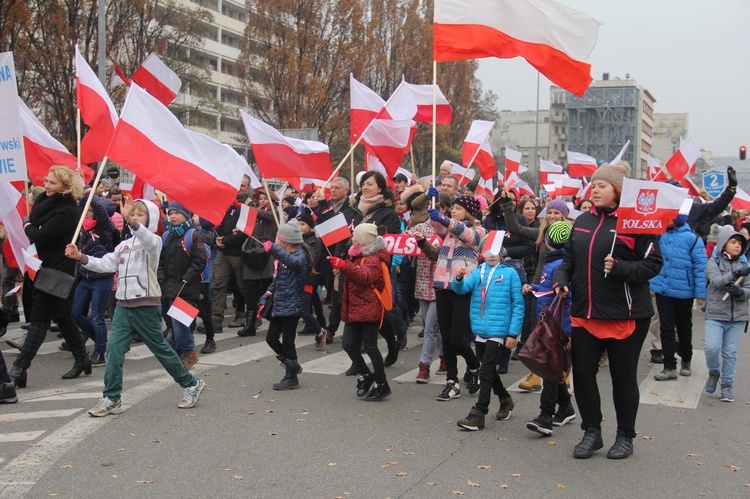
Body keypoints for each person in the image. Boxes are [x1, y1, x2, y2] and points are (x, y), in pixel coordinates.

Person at [553, 161, 663, 460]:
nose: (594, 189)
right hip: (585, 312)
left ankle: (625, 436)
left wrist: (621, 268)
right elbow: (568, 260)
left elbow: (653, 264)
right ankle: (592, 432)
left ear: (618, 190)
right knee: (583, 376)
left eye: (601, 185)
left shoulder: (637, 222)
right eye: (593, 184)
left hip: (625, 315)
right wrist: (561, 279)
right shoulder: (582, 221)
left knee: (622, 378)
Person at [65, 197, 206, 416]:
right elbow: (105, 264)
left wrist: (131, 221)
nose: (135, 217)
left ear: (150, 219)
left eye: (140, 214)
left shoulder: (155, 242)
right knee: (114, 351)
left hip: (146, 306)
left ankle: (190, 383)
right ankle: (112, 398)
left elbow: (147, 239)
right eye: (133, 214)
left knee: (161, 350)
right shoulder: (123, 245)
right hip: (123, 306)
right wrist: (81, 257)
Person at [10, 166, 91, 388]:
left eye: (52, 183)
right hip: (46, 268)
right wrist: (32, 221)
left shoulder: (67, 211)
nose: (46, 185)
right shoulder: (45, 206)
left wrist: (27, 224)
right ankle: (81, 356)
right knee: (62, 317)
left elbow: (39, 237)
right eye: (46, 180)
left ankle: (19, 368)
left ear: (65, 186)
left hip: (59, 270)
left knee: (39, 319)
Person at [417, 194, 484, 401]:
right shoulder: (449, 231)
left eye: (458, 208)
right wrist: (433, 206)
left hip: (461, 288)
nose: (453, 210)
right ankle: (452, 382)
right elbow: (438, 226)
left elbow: (466, 233)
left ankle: (474, 367)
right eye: (452, 207)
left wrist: (445, 219)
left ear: (470, 212)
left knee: (457, 337)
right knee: (445, 338)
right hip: (441, 286)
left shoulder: (478, 231)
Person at [453, 240, 524, 430]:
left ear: (501, 253)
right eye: (487, 251)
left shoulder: (510, 273)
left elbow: (518, 303)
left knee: (485, 370)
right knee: (489, 369)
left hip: (499, 330)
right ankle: (505, 399)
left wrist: (513, 333)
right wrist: (458, 278)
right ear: (482, 254)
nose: (492, 255)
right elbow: (461, 289)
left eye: (495, 251)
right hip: (480, 329)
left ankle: (479, 412)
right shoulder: (478, 272)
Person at [328, 223, 392, 401]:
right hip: (355, 307)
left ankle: (382, 383)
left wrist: (344, 266)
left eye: (355, 236)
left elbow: (365, 277)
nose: (352, 239)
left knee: (371, 347)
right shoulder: (357, 255)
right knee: (348, 344)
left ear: (363, 240)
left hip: (369, 307)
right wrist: (343, 267)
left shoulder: (374, 258)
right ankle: (366, 374)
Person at [524, 221, 576, 436]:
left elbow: (562, 294)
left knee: (550, 369)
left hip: (558, 324)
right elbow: (549, 290)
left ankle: (546, 416)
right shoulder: (555, 263)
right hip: (554, 321)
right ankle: (566, 407)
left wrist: (535, 291)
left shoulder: (559, 265)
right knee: (553, 368)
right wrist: (534, 288)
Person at [650, 215, 707, 381]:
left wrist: (700, 293)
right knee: (666, 328)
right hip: (663, 290)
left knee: (683, 327)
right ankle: (669, 366)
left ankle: (686, 360)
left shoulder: (692, 239)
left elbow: (700, 267)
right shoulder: (659, 236)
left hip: (684, 292)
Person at [260, 219, 313, 390]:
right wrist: (266, 295)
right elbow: (276, 280)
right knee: (271, 338)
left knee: (288, 342)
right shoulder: (282, 257)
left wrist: (274, 249)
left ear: (284, 240)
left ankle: (291, 377)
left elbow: (294, 264)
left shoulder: (300, 256)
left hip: (292, 305)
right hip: (279, 304)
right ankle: (292, 365)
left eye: (278, 239)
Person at [703, 226, 750, 402]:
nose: (737, 245)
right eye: (733, 242)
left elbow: (748, 290)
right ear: (723, 244)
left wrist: (740, 293)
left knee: (730, 352)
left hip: (738, 316)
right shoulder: (713, 262)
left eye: (740, 243)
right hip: (716, 313)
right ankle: (714, 372)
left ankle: (727, 385)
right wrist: (735, 274)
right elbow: (716, 281)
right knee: (712, 348)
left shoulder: (745, 265)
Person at [402, 181, 443, 383]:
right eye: (434, 206)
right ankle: (444, 357)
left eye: (440, 207)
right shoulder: (419, 227)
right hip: (422, 281)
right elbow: (401, 242)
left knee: (430, 328)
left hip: (439, 283)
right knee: (431, 325)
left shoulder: (448, 230)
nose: (436, 210)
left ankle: (424, 365)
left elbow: (438, 255)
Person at [71, 195, 118, 366]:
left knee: (98, 316)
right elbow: (80, 206)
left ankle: (100, 352)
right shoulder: (83, 229)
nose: (86, 213)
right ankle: (100, 340)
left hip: (102, 278)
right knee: (75, 312)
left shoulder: (106, 228)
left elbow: (98, 208)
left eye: (90, 211)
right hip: (86, 277)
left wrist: (88, 192)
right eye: (85, 211)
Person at [159, 201, 206, 369]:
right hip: (171, 287)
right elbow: (162, 259)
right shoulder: (167, 235)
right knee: (176, 323)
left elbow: (200, 261)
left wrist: (186, 278)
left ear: (185, 215)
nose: (172, 216)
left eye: (176, 213)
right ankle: (182, 352)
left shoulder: (193, 234)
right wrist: (161, 276)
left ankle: (188, 352)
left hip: (187, 287)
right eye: (170, 213)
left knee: (181, 324)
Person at [212, 175, 252, 334]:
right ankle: (216, 321)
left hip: (239, 253)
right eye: (238, 185)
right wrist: (218, 239)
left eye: (242, 186)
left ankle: (248, 316)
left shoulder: (249, 205)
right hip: (223, 251)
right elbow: (218, 224)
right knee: (218, 285)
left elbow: (245, 233)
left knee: (242, 287)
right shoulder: (226, 203)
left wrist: (226, 240)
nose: (239, 188)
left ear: (248, 189)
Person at [296, 211, 327, 350]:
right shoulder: (292, 239)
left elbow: (311, 260)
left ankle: (320, 332)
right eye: (297, 224)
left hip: (307, 279)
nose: (299, 227)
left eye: (302, 224)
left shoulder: (314, 241)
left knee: (304, 310)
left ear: (309, 226)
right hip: (293, 279)